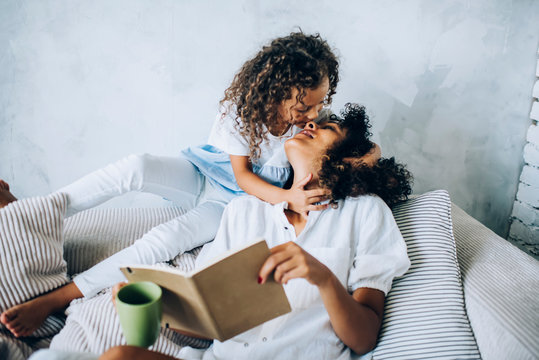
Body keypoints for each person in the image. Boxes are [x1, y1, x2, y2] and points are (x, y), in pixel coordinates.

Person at [0, 31, 357, 338]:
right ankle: (36, 211)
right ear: (274, 93)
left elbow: (365, 148)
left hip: (231, 206)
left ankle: (56, 298)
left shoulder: (315, 122)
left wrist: (360, 159)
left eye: (320, 103)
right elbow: (242, 176)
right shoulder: (242, 112)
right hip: (206, 175)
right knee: (137, 167)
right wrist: (288, 198)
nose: (312, 115)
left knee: (166, 240)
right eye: (302, 107)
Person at [88, 103, 411, 360]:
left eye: (327, 128)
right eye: (311, 123)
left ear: (350, 157)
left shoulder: (365, 211)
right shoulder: (243, 212)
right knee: (119, 356)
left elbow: (364, 339)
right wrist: (160, 308)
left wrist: (322, 277)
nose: (310, 125)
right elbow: (210, 323)